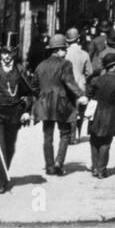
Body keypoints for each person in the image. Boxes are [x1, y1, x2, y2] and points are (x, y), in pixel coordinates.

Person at [0, 35, 36, 193]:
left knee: (10, 149)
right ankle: (1, 184)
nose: (6, 56)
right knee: (0, 148)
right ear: (0, 53)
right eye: (4, 53)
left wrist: (26, 111)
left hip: (14, 116)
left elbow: (30, 94)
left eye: (10, 53)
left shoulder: (20, 71)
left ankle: (3, 174)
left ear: (15, 53)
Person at [31, 34, 86, 176]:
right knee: (65, 133)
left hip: (45, 104)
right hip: (62, 104)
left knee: (47, 136)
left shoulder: (41, 65)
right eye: (64, 49)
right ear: (59, 50)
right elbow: (69, 82)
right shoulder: (65, 64)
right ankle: (58, 162)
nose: (66, 51)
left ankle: (49, 166)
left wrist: (42, 97)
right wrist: (81, 95)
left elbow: (34, 87)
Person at [86, 50, 115, 178]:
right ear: (113, 67)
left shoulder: (96, 80)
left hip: (96, 112)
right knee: (106, 143)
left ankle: (95, 167)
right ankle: (102, 169)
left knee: (94, 141)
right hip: (111, 113)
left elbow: (89, 94)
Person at [63, 28, 93, 136]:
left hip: (67, 85)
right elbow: (90, 72)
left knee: (68, 110)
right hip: (80, 85)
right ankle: (77, 133)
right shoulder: (84, 54)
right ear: (78, 39)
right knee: (80, 111)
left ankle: (69, 134)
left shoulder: (64, 54)